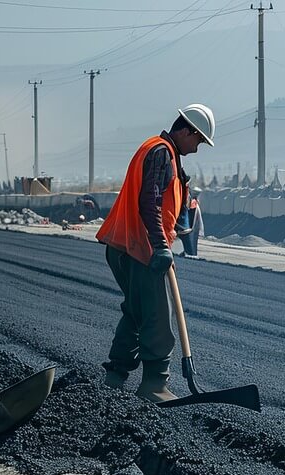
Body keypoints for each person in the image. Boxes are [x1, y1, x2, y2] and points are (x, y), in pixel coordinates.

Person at [98, 104, 215, 403]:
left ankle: (114, 376)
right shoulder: (161, 153)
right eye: (198, 140)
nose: (198, 148)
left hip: (126, 246)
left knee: (137, 311)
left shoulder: (164, 154)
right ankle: (154, 384)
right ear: (186, 131)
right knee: (157, 316)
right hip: (140, 249)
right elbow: (148, 201)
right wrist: (161, 246)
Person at [181, 186, 204, 259]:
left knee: (191, 244)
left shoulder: (194, 204)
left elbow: (197, 219)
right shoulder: (191, 202)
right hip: (187, 227)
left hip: (190, 228)